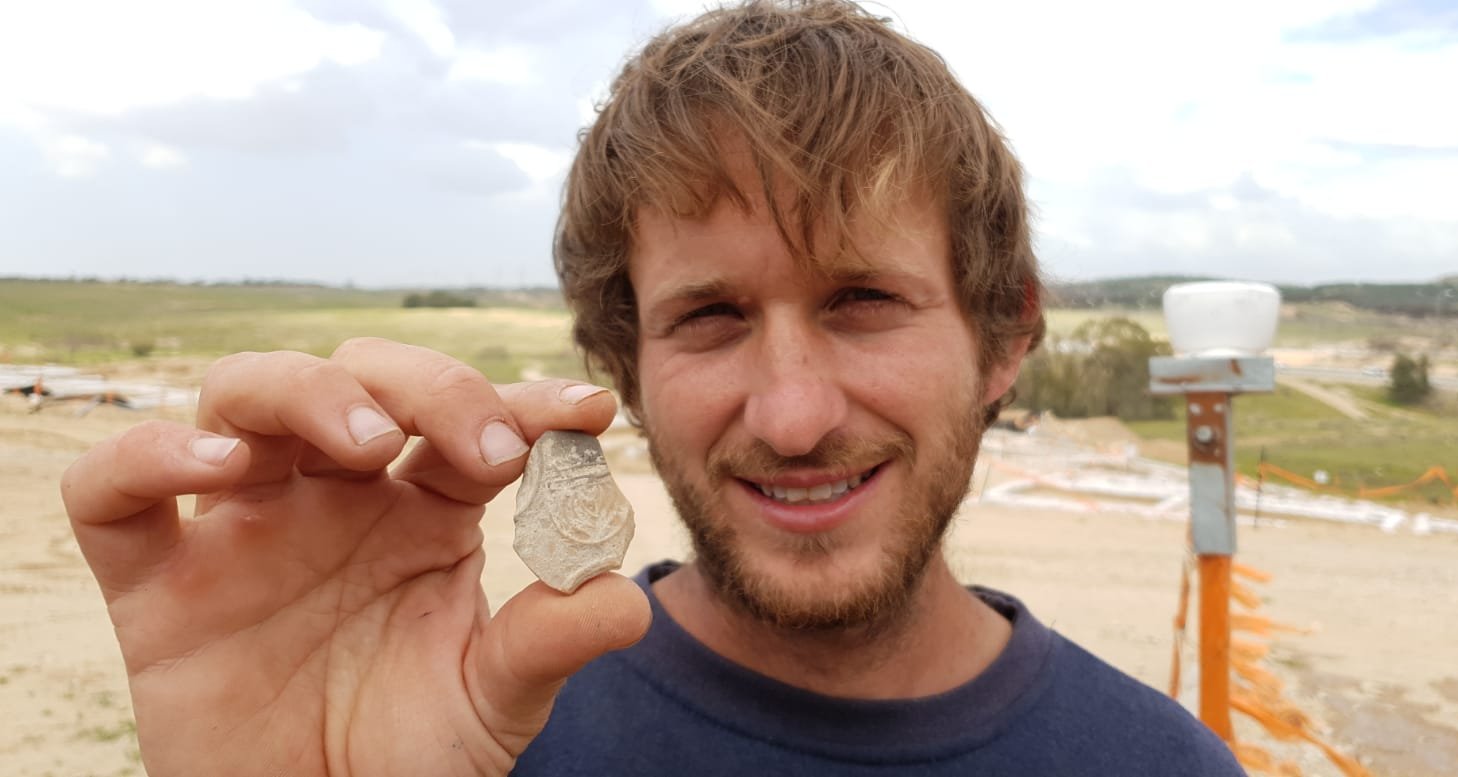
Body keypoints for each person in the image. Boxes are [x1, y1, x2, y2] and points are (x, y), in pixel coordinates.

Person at [59, 1, 1245, 775]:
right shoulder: (466, 730)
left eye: (863, 302)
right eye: (711, 317)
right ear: (620, 368)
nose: (791, 416)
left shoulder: (1169, 769)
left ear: (1005, 336)